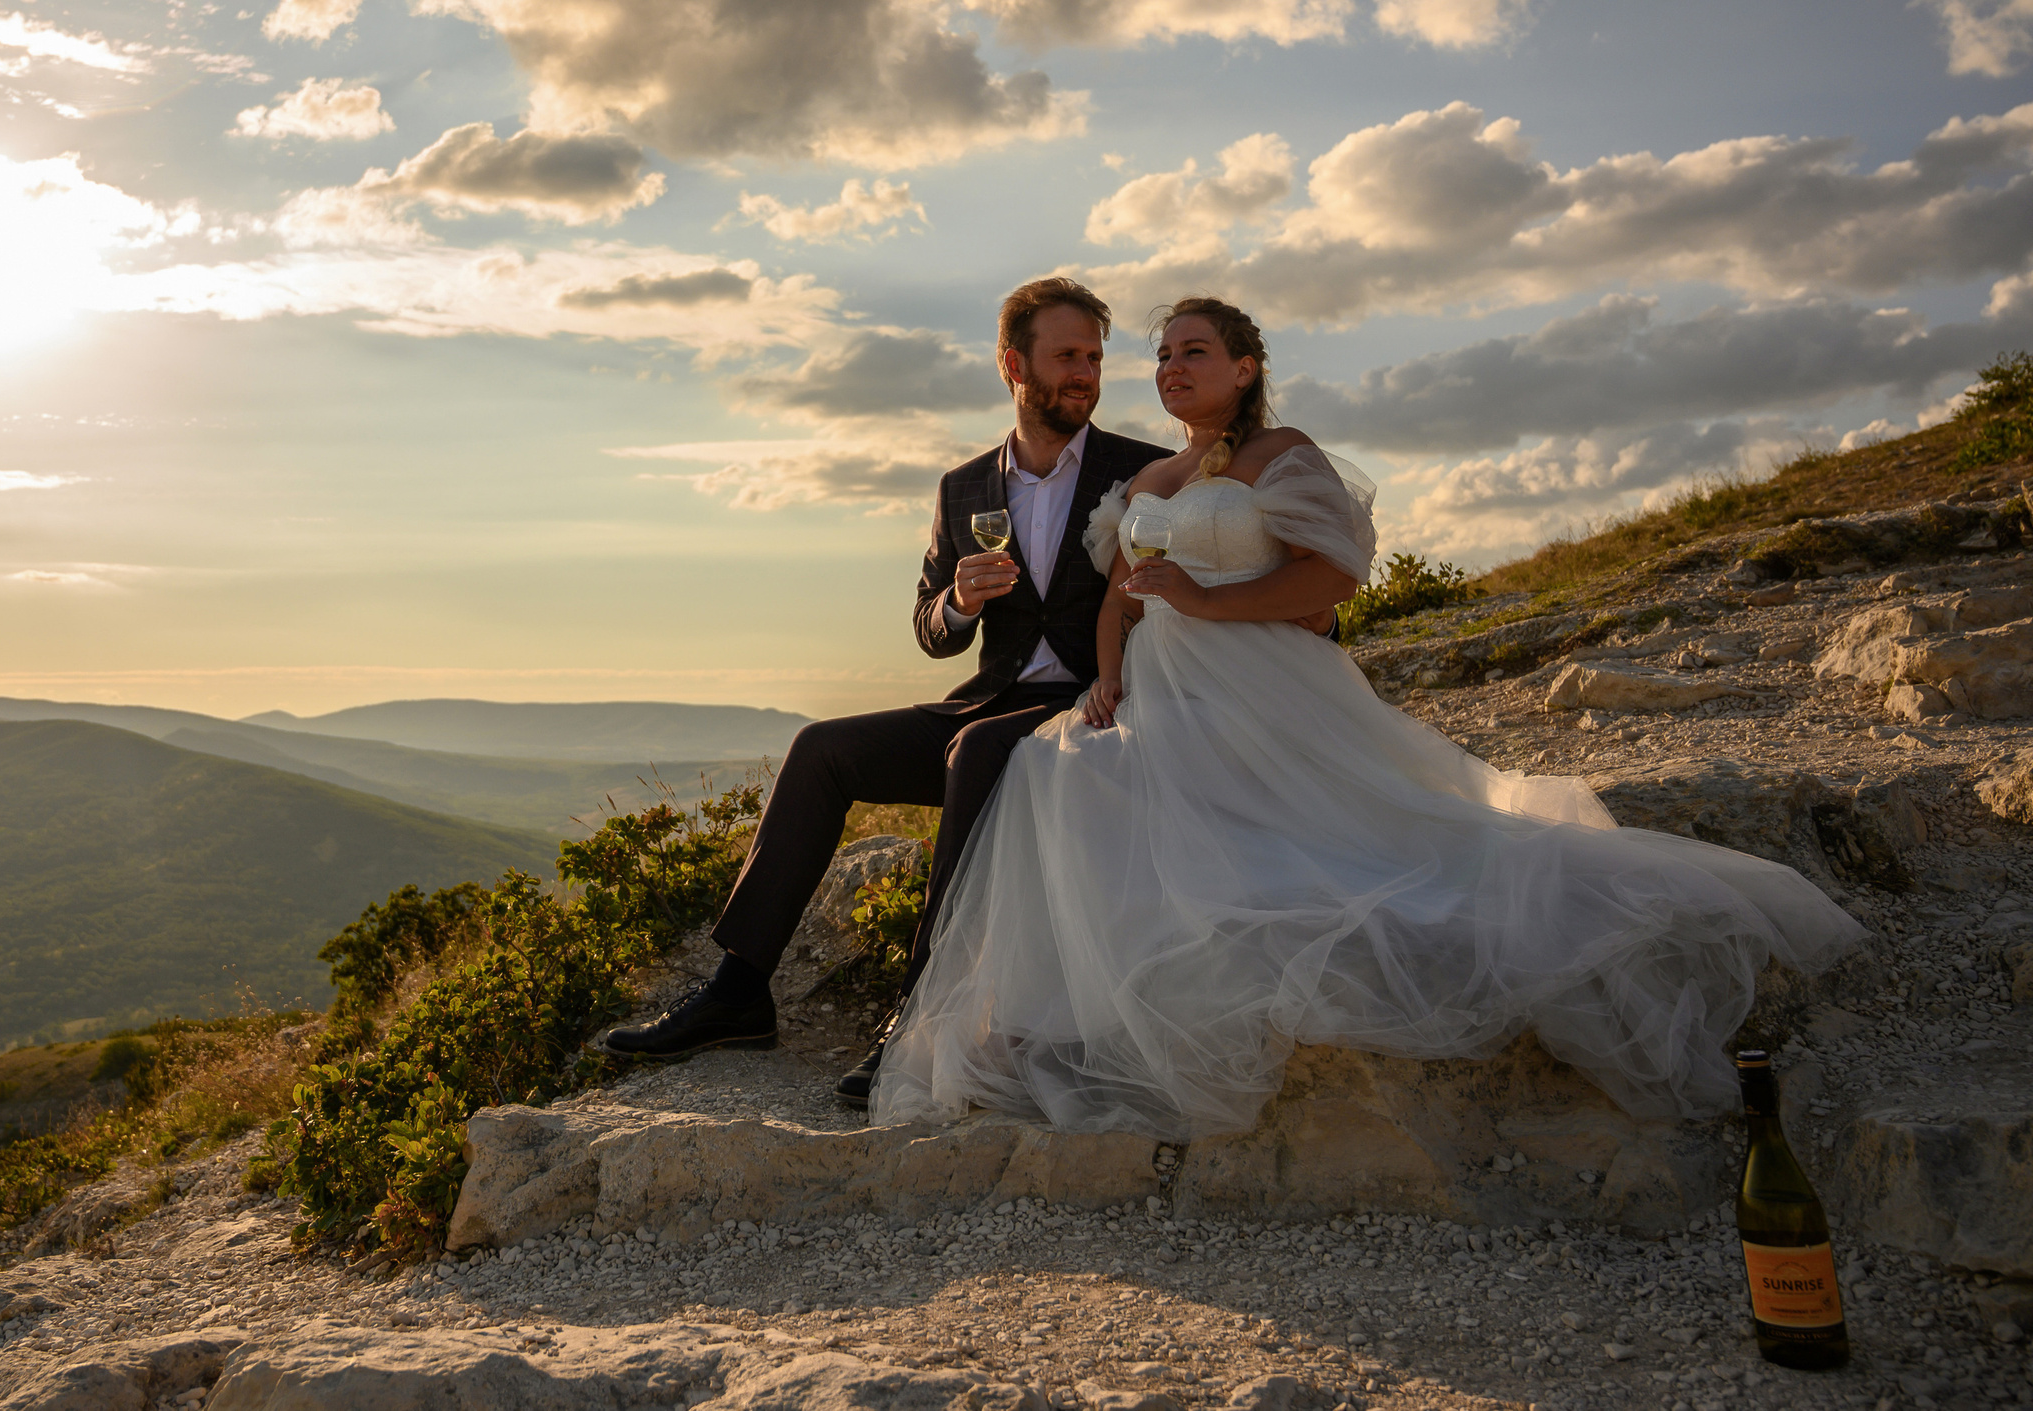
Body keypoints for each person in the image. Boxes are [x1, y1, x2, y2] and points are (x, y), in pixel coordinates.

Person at [871, 297, 1867, 1136]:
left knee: (1342, 850)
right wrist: (1105, 681)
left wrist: (1208, 601)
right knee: (1063, 770)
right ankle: (1059, 1017)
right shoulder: (1152, 480)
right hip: (1156, 682)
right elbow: (1127, 595)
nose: (1171, 367)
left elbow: (1325, 587)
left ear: (1245, 366)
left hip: (1256, 678)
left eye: (1195, 351)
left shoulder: (1279, 455)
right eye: (1163, 354)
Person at [600, 277, 1174, 1102]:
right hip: (990, 698)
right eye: (1066, 356)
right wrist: (962, 602)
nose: (1085, 373)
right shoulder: (964, 486)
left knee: (975, 753)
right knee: (820, 748)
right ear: (1014, 364)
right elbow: (929, 624)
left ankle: (916, 1020)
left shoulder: (1140, 470)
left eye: (1093, 356)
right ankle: (739, 989)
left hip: (1094, 705)